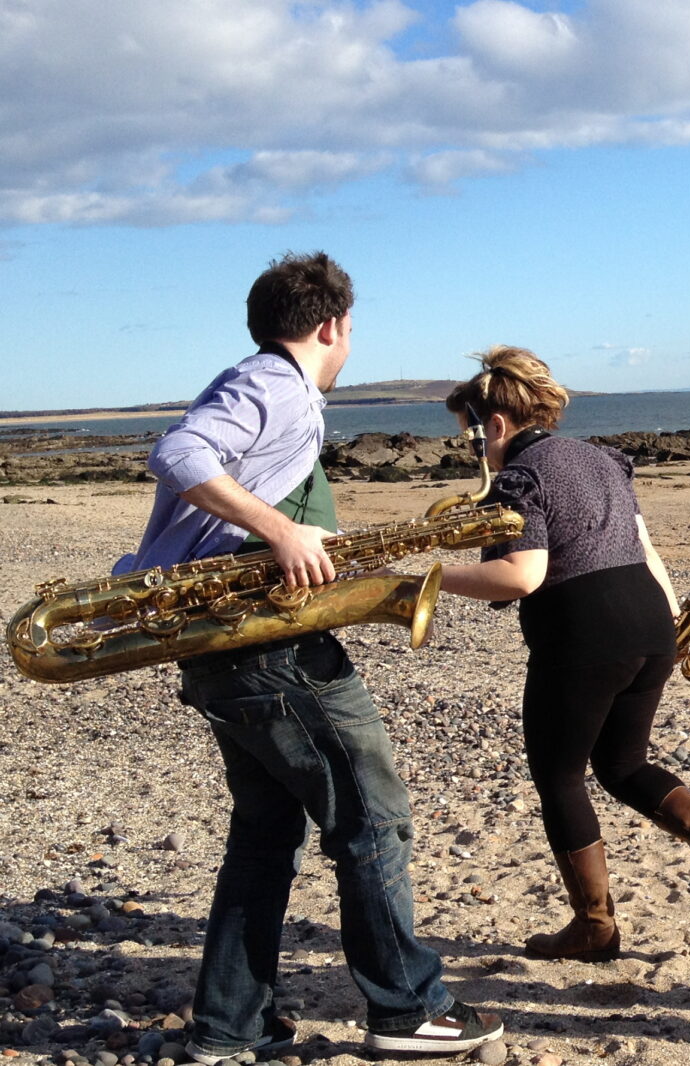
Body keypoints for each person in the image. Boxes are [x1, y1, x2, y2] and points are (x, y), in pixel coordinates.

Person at [120, 252, 503, 1063]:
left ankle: (231, 1026)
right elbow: (180, 454)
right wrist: (283, 532)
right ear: (332, 325)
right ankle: (407, 1010)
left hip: (231, 646)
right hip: (272, 649)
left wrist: (308, 536)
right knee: (372, 818)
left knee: (264, 833)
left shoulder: (275, 388)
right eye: (352, 328)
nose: (351, 341)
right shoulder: (274, 383)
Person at [437, 346, 690, 961]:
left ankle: (594, 927)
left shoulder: (518, 475)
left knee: (560, 775)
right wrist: (668, 627)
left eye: (473, 436)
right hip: (647, 619)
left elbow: (519, 576)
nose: (477, 450)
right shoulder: (602, 460)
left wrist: (430, 580)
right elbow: (645, 547)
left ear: (497, 424)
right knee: (621, 765)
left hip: (581, 629)